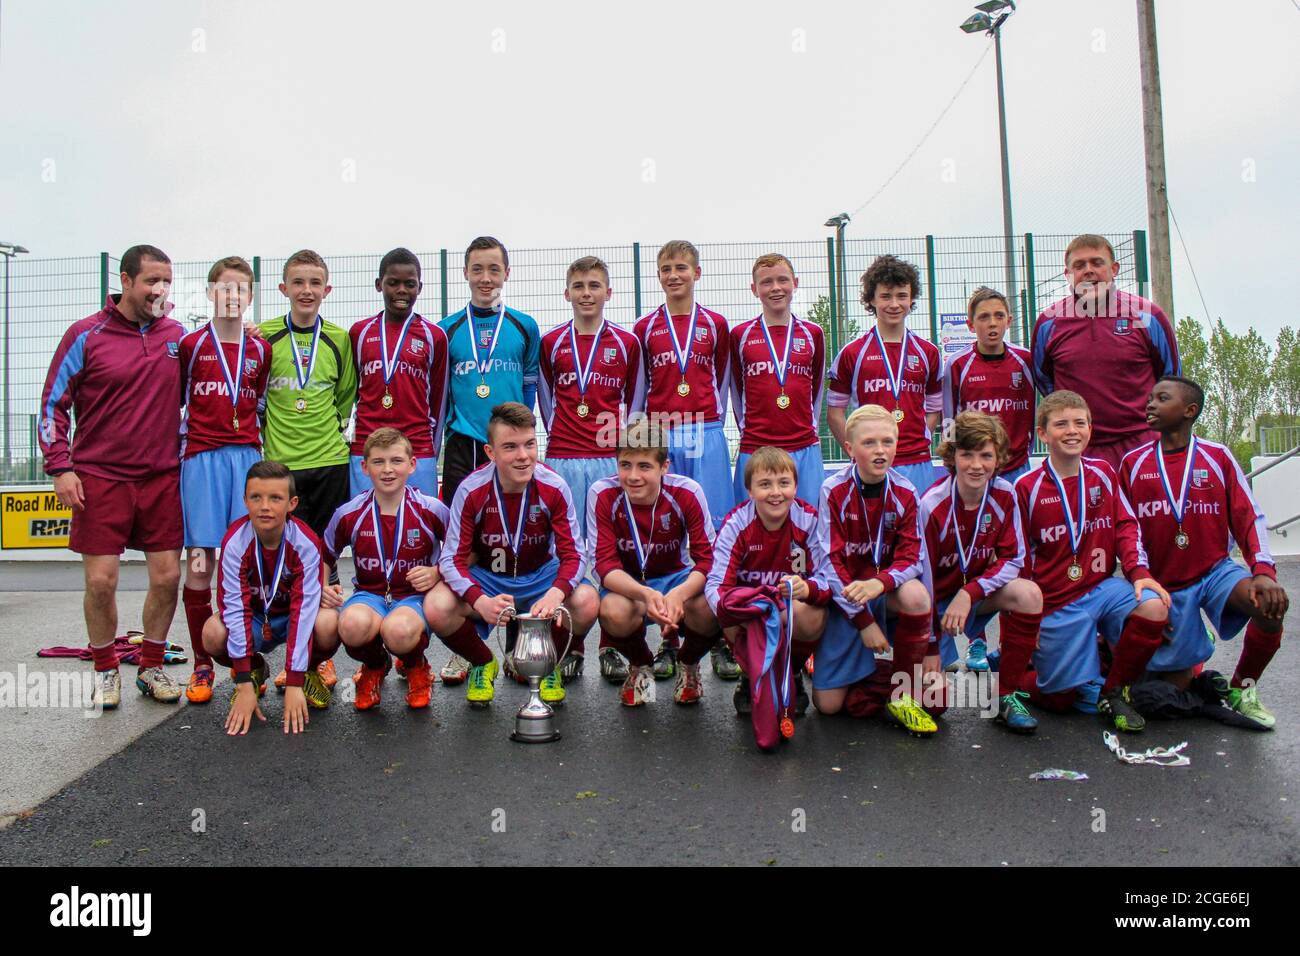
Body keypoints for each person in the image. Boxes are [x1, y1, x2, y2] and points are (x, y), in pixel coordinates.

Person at [39, 244, 186, 709]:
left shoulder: (178, 337)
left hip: (163, 478)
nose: (160, 290)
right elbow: (52, 405)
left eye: (166, 281)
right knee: (101, 582)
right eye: (151, 281)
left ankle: (151, 666)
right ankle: (105, 671)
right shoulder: (86, 334)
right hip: (99, 478)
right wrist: (60, 466)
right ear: (125, 281)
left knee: (167, 579)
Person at [1119, 376, 1286, 729]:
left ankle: (1243, 687)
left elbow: (1248, 516)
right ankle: (1193, 636)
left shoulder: (1217, 456)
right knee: (1172, 694)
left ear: (1189, 411)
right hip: (1163, 585)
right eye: (1149, 398)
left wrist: (1263, 571)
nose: (1150, 404)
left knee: (1268, 605)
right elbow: (1123, 529)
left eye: (1161, 398)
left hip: (1214, 572)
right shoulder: (1133, 463)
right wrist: (1137, 585)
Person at [1013, 390, 1171, 732]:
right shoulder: (1026, 487)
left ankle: (1113, 691)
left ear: (1090, 428)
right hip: (1055, 603)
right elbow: (1019, 558)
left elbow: (1126, 526)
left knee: (1154, 605)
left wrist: (1139, 573)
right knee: (1060, 701)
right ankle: (1022, 669)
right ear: (1042, 434)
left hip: (1101, 588)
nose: (1072, 431)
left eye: (1080, 423)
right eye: (1061, 424)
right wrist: (1026, 622)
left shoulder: (1103, 473)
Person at [427, 402, 599, 708]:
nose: (523, 456)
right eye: (510, 447)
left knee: (586, 602)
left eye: (529, 444)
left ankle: (549, 666)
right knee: (437, 606)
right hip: (491, 581)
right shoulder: (471, 490)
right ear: (491, 453)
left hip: (540, 579)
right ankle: (482, 662)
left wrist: (556, 594)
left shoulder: (554, 486)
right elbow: (451, 559)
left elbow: (575, 554)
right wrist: (479, 599)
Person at [633, 239, 740, 683]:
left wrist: (711, 421)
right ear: (658, 276)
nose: (673, 275)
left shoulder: (716, 325)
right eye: (665, 269)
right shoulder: (644, 328)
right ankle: (669, 641)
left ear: (697, 272)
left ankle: (716, 635)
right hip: (662, 432)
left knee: (711, 532)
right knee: (666, 530)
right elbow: (640, 386)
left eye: (681, 267)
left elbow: (723, 380)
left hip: (707, 430)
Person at [438, 236, 540, 685]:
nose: (485, 278)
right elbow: (439, 396)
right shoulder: (446, 329)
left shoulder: (523, 327)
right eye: (477, 269)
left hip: (512, 448)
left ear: (506, 273)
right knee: (470, 546)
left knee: (520, 542)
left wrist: (525, 439)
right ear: (465, 274)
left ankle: (524, 646)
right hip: (464, 444)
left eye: (493, 269)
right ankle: (473, 647)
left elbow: (532, 388)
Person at [538, 256, 645, 677]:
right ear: (567, 293)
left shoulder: (625, 343)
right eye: (579, 286)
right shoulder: (551, 343)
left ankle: (610, 644)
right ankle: (573, 642)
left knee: (610, 549)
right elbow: (547, 400)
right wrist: (563, 436)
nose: (586, 293)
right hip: (563, 457)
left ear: (608, 292)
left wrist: (617, 448)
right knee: (566, 550)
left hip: (606, 459)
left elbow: (634, 401)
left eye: (594, 285)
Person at [177, 256, 271, 705]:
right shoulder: (191, 345)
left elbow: (261, 402)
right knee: (200, 560)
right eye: (224, 288)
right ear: (211, 293)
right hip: (201, 460)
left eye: (241, 290)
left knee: (244, 561)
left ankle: (243, 660)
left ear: (250, 297)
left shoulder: (260, 350)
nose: (232, 297)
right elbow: (176, 402)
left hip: (246, 460)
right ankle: (200, 663)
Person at [813, 405, 939, 735]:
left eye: (888, 441)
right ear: (849, 448)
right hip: (847, 601)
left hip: (884, 592)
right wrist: (863, 620)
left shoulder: (906, 491)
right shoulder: (832, 490)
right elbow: (828, 563)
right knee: (828, 707)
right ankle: (871, 673)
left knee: (916, 595)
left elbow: (913, 558)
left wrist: (880, 584)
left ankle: (903, 693)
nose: (880, 451)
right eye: (869, 443)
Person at [262, 248, 355, 692]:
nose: (306, 290)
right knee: (290, 566)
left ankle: (323, 659)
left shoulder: (339, 340)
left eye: (315, 283)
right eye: (298, 282)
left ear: (327, 290)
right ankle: (293, 656)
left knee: (328, 563)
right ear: (283, 288)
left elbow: (344, 398)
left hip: (331, 464)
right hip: (283, 470)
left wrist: (326, 432)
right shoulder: (262, 337)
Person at [918, 411, 1044, 733]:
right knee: (934, 705)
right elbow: (923, 580)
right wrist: (931, 643)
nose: (976, 465)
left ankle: (1005, 695)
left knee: (1027, 595)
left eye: (986, 455)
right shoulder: (932, 505)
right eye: (967, 454)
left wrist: (969, 592)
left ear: (999, 458)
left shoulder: (1005, 494)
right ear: (952, 457)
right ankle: (892, 670)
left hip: (973, 597)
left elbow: (1014, 559)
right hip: (935, 608)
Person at [318, 428, 450, 711]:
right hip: (370, 595)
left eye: (396, 461)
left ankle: (416, 666)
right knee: (350, 626)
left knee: (399, 631)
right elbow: (324, 554)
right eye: (378, 462)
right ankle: (375, 665)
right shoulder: (349, 513)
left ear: (412, 465)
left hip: (413, 598)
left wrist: (437, 572)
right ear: (364, 467)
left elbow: (460, 552)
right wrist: (322, 587)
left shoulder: (432, 509)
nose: (388, 469)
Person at [588, 419, 718, 706]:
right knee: (612, 611)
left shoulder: (687, 492)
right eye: (625, 465)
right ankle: (641, 665)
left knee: (710, 607)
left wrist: (679, 594)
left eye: (644, 466)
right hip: (629, 585)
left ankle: (688, 663)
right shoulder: (602, 493)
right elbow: (604, 566)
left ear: (664, 467)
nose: (633, 476)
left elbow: (708, 561)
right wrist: (646, 594)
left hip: (675, 579)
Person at [203, 461, 337, 735]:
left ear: (292, 503)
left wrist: (295, 682)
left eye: (275, 498)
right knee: (213, 632)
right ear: (245, 501)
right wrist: (241, 679)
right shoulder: (235, 542)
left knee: (328, 623)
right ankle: (253, 671)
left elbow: (303, 612)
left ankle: (309, 670)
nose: (265, 506)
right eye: (256, 497)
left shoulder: (306, 542)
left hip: (290, 620)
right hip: (254, 620)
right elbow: (235, 610)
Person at [1031, 234, 1180, 469]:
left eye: (1097, 263)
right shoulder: (1048, 323)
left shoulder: (1148, 316)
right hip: (1078, 450)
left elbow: (1172, 381)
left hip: (1142, 445)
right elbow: (1044, 382)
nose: (1088, 271)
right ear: (1068, 275)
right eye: (1079, 265)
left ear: (1114, 268)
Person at [705, 446, 830, 718]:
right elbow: (715, 585)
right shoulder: (736, 524)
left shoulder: (809, 521)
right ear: (749, 491)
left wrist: (807, 588)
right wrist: (736, 612)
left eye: (784, 483)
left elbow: (828, 577)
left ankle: (791, 671)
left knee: (811, 615)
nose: (775, 492)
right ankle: (751, 677)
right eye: (764, 484)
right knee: (719, 611)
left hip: (788, 610)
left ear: (796, 486)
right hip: (751, 612)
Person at [828, 255, 943, 493]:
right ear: (871, 299)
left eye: (902, 295)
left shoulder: (928, 352)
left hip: (917, 462)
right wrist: (858, 451)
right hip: (870, 466)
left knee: (918, 529)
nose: (894, 304)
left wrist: (920, 439)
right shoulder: (853, 353)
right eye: (886, 296)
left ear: (912, 299)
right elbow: (835, 413)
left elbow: (935, 409)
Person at [349, 248, 449, 497]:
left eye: (410, 284)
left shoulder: (434, 336)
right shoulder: (359, 333)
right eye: (393, 283)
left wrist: (430, 448)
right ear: (379, 285)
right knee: (365, 526)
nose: (401, 290)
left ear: (420, 287)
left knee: (418, 526)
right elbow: (350, 392)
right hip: (366, 447)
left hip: (417, 448)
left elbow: (438, 400)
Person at [729, 253, 826, 507]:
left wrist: (808, 430)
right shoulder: (740, 335)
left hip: (803, 445)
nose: (775, 288)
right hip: (756, 446)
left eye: (782, 280)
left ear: (795, 282)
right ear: (754, 289)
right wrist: (748, 431)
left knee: (810, 526)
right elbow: (736, 392)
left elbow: (816, 391)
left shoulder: (813, 334)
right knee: (752, 529)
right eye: (766, 282)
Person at [940, 286, 1037, 483]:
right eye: (984, 317)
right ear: (971, 325)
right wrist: (951, 457)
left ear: (1009, 321)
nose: (992, 323)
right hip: (976, 468)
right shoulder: (957, 364)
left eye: (999, 316)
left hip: (1017, 466)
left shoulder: (1026, 360)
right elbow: (948, 417)